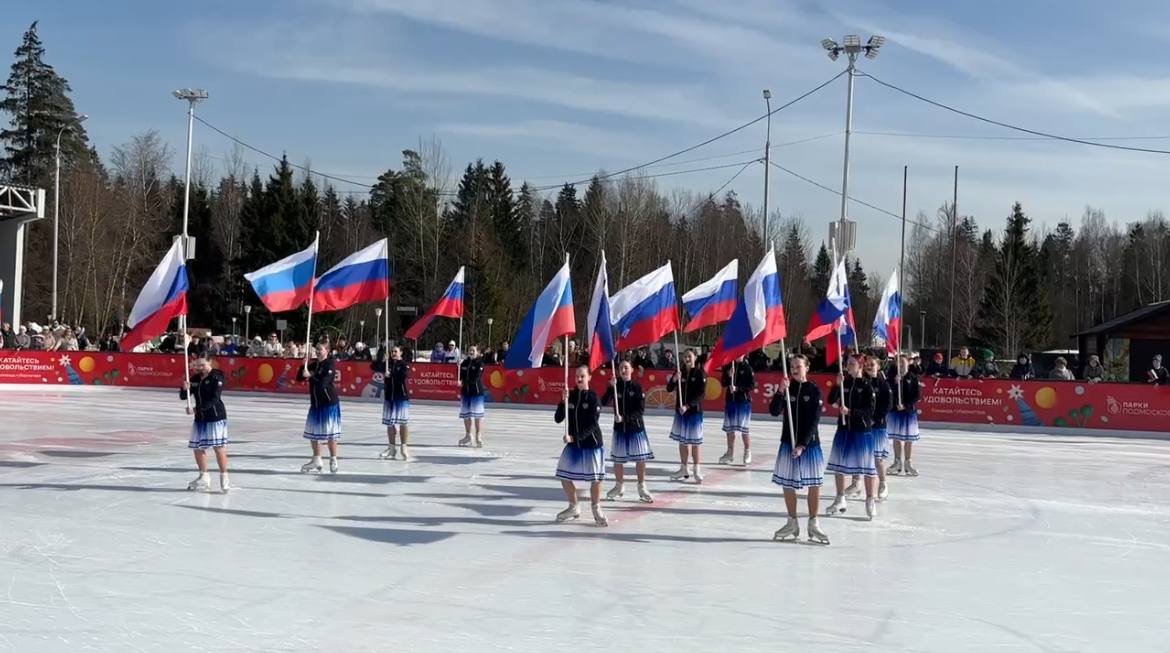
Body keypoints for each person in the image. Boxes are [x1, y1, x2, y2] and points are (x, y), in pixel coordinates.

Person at [770, 354, 829, 544]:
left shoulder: (814, 390)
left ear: (807, 368)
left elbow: (814, 421)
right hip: (788, 442)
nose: (795, 369)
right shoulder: (788, 389)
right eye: (792, 366)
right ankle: (792, 521)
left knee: (814, 484)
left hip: (809, 445)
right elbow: (773, 411)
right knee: (787, 484)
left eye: (799, 366)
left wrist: (803, 444)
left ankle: (813, 522)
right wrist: (780, 391)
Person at [825, 354, 878, 520]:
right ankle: (840, 498)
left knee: (867, 468)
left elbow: (870, 412)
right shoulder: (845, 383)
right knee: (839, 466)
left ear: (860, 366)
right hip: (843, 430)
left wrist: (851, 413)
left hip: (862, 432)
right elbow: (831, 400)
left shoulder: (868, 386)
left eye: (852, 364)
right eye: (848, 363)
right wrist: (837, 385)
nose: (848, 366)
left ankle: (870, 499)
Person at [554, 365, 608, 526]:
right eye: (577, 375)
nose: (579, 378)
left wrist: (574, 438)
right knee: (563, 476)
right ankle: (573, 506)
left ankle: (596, 507)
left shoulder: (593, 398)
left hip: (591, 444)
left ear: (589, 377)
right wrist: (562, 401)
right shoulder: (571, 396)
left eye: (582, 376)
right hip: (573, 444)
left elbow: (593, 425)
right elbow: (558, 418)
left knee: (596, 478)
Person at [601, 360, 654, 503]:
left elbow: (640, 410)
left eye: (626, 367)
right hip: (619, 429)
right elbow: (603, 402)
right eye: (621, 368)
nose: (623, 370)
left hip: (635, 428)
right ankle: (619, 485)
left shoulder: (637, 387)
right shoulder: (615, 386)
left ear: (631, 370)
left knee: (640, 458)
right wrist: (610, 388)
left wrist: (625, 418)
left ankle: (642, 486)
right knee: (618, 459)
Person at [180, 357, 230, 492]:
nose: (199, 367)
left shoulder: (216, 376)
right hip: (201, 418)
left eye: (202, 364)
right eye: (197, 365)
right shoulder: (195, 378)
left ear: (210, 362)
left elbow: (215, 398)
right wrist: (185, 388)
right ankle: (204, 476)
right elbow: (184, 397)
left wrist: (197, 409)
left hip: (215, 416)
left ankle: (224, 476)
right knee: (198, 447)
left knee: (218, 447)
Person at [297, 344, 342, 473]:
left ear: (327, 351)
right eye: (316, 350)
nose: (317, 352)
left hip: (329, 403)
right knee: (313, 433)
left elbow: (323, 382)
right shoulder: (314, 365)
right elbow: (299, 378)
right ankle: (317, 458)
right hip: (316, 404)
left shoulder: (330, 364)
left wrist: (311, 376)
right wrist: (303, 366)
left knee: (330, 434)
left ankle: (333, 459)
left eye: (320, 349)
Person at [667, 349, 707, 483]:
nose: (687, 359)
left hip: (694, 412)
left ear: (695, 357)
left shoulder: (700, 373)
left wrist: (688, 406)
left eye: (689, 356)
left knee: (695, 442)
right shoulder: (680, 372)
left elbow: (701, 394)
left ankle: (697, 468)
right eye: (685, 356)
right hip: (680, 412)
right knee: (682, 441)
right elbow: (669, 389)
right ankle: (684, 467)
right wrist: (674, 379)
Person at [887, 354, 922, 476]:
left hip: (908, 412)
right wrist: (894, 383)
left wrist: (906, 405)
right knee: (896, 438)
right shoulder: (892, 377)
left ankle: (908, 462)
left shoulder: (912, 377)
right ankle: (897, 462)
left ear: (907, 363)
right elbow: (888, 393)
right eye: (899, 363)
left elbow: (916, 395)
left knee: (908, 439)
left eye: (903, 362)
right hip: (895, 411)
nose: (901, 365)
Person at [374, 345, 411, 461]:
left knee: (403, 422)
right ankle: (391, 448)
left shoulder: (403, 364)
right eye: (392, 351)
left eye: (396, 351)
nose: (393, 353)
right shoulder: (387, 364)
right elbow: (373, 366)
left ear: (400, 353)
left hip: (401, 396)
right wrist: (380, 355)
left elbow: (403, 376)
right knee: (390, 423)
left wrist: (392, 374)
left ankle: (404, 446)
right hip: (389, 396)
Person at [719, 355, 756, 466]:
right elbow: (723, 383)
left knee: (744, 429)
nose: (738, 355)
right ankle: (730, 452)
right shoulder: (729, 366)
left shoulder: (747, 368)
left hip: (743, 402)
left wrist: (738, 388)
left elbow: (751, 385)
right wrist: (728, 375)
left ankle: (747, 451)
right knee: (729, 429)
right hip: (731, 401)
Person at [458, 345, 486, 447]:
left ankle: (478, 436)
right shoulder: (464, 363)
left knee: (477, 416)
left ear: (477, 352)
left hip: (476, 392)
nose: (471, 352)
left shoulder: (480, 363)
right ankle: (468, 435)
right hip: (466, 392)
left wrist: (464, 381)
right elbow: (461, 375)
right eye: (469, 350)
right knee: (466, 415)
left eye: (473, 350)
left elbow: (476, 377)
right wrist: (460, 378)